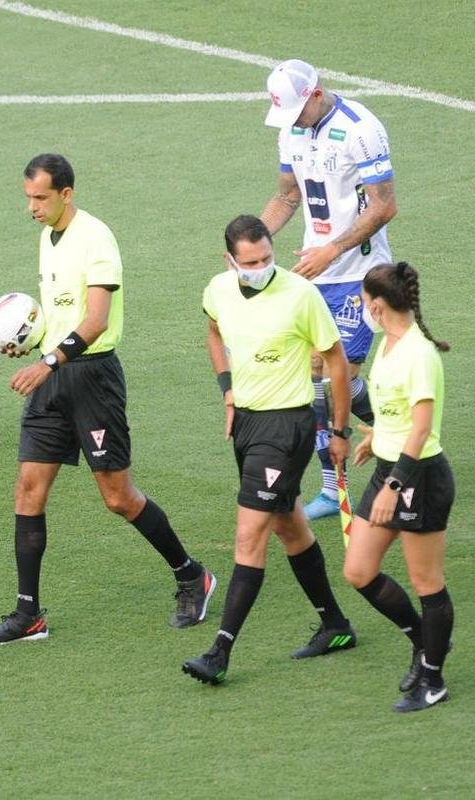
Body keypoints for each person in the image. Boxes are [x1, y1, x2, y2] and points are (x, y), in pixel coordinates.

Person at [0, 154, 216, 646]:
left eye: (40, 198)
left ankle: (192, 575)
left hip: (92, 379)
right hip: (54, 374)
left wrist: (48, 362)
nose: (32, 208)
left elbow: (98, 319)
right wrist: (28, 342)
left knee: (117, 497)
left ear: (66, 193)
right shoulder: (49, 236)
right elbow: (62, 315)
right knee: (28, 489)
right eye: (28, 198)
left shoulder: (96, 238)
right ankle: (28, 615)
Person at [182, 215, 356, 685]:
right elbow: (214, 333)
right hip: (249, 424)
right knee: (289, 526)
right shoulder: (217, 290)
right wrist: (227, 391)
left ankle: (220, 651)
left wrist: (340, 432)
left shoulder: (301, 295)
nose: (260, 267)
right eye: (250, 262)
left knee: (248, 535)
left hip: (288, 427)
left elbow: (337, 363)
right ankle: (336, 626)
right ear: (230, 260)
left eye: (266, 258)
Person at [259, 59, 398, 521]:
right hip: (313, 272)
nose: (294, 120)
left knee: (333, 375)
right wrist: (251, 241)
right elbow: (285, 197)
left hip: (361, 274)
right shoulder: (291, 131)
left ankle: (395, 441)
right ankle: (337, 481)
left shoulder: (362, 129)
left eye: (298, 110)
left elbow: (384, 206)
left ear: (316, 93)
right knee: (317, 378)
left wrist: (331, 250)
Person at [342, 262, 456, 713]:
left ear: (377, 304)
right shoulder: (387, 343)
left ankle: (434, 679)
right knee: (358, 570)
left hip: (418, 477)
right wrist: (375, 436)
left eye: (363, 301)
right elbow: (398, 411)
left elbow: (423, 429)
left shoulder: (418, 354)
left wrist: (392, 485)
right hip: (390, 465)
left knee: (426, 580)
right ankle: (423, 643)